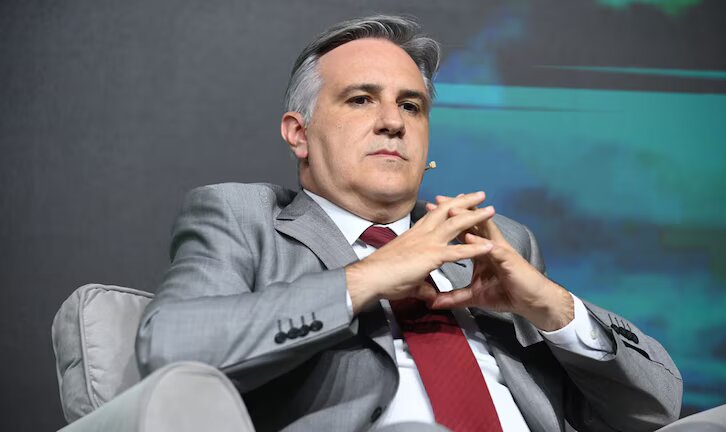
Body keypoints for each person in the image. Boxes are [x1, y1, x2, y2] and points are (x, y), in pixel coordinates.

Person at [135, 15, 683, 432]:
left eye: (411, 106)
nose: (393, 122)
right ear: (298, 134)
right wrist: (370, 276)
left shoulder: (493, 242)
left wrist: (553, 308)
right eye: (361, 100)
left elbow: (654, 409)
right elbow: (171, 347)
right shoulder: (243, 217)